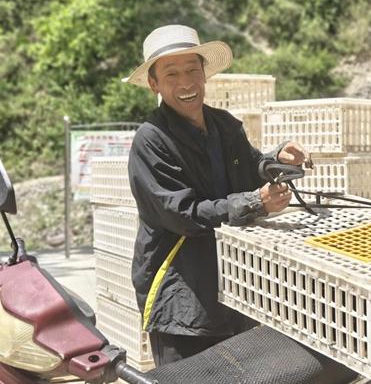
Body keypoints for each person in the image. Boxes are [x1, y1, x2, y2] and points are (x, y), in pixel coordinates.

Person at [124, 25, 309, 366]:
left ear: (205, 73)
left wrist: (278, 158)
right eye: (172, 74)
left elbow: (251, 164)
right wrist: (256, 203)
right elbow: (183, 215)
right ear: (154, 83)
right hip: (182, 295)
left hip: (234, 284)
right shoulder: (150, 141)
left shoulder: (224, 124)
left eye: (193, 70)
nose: (186, 83)